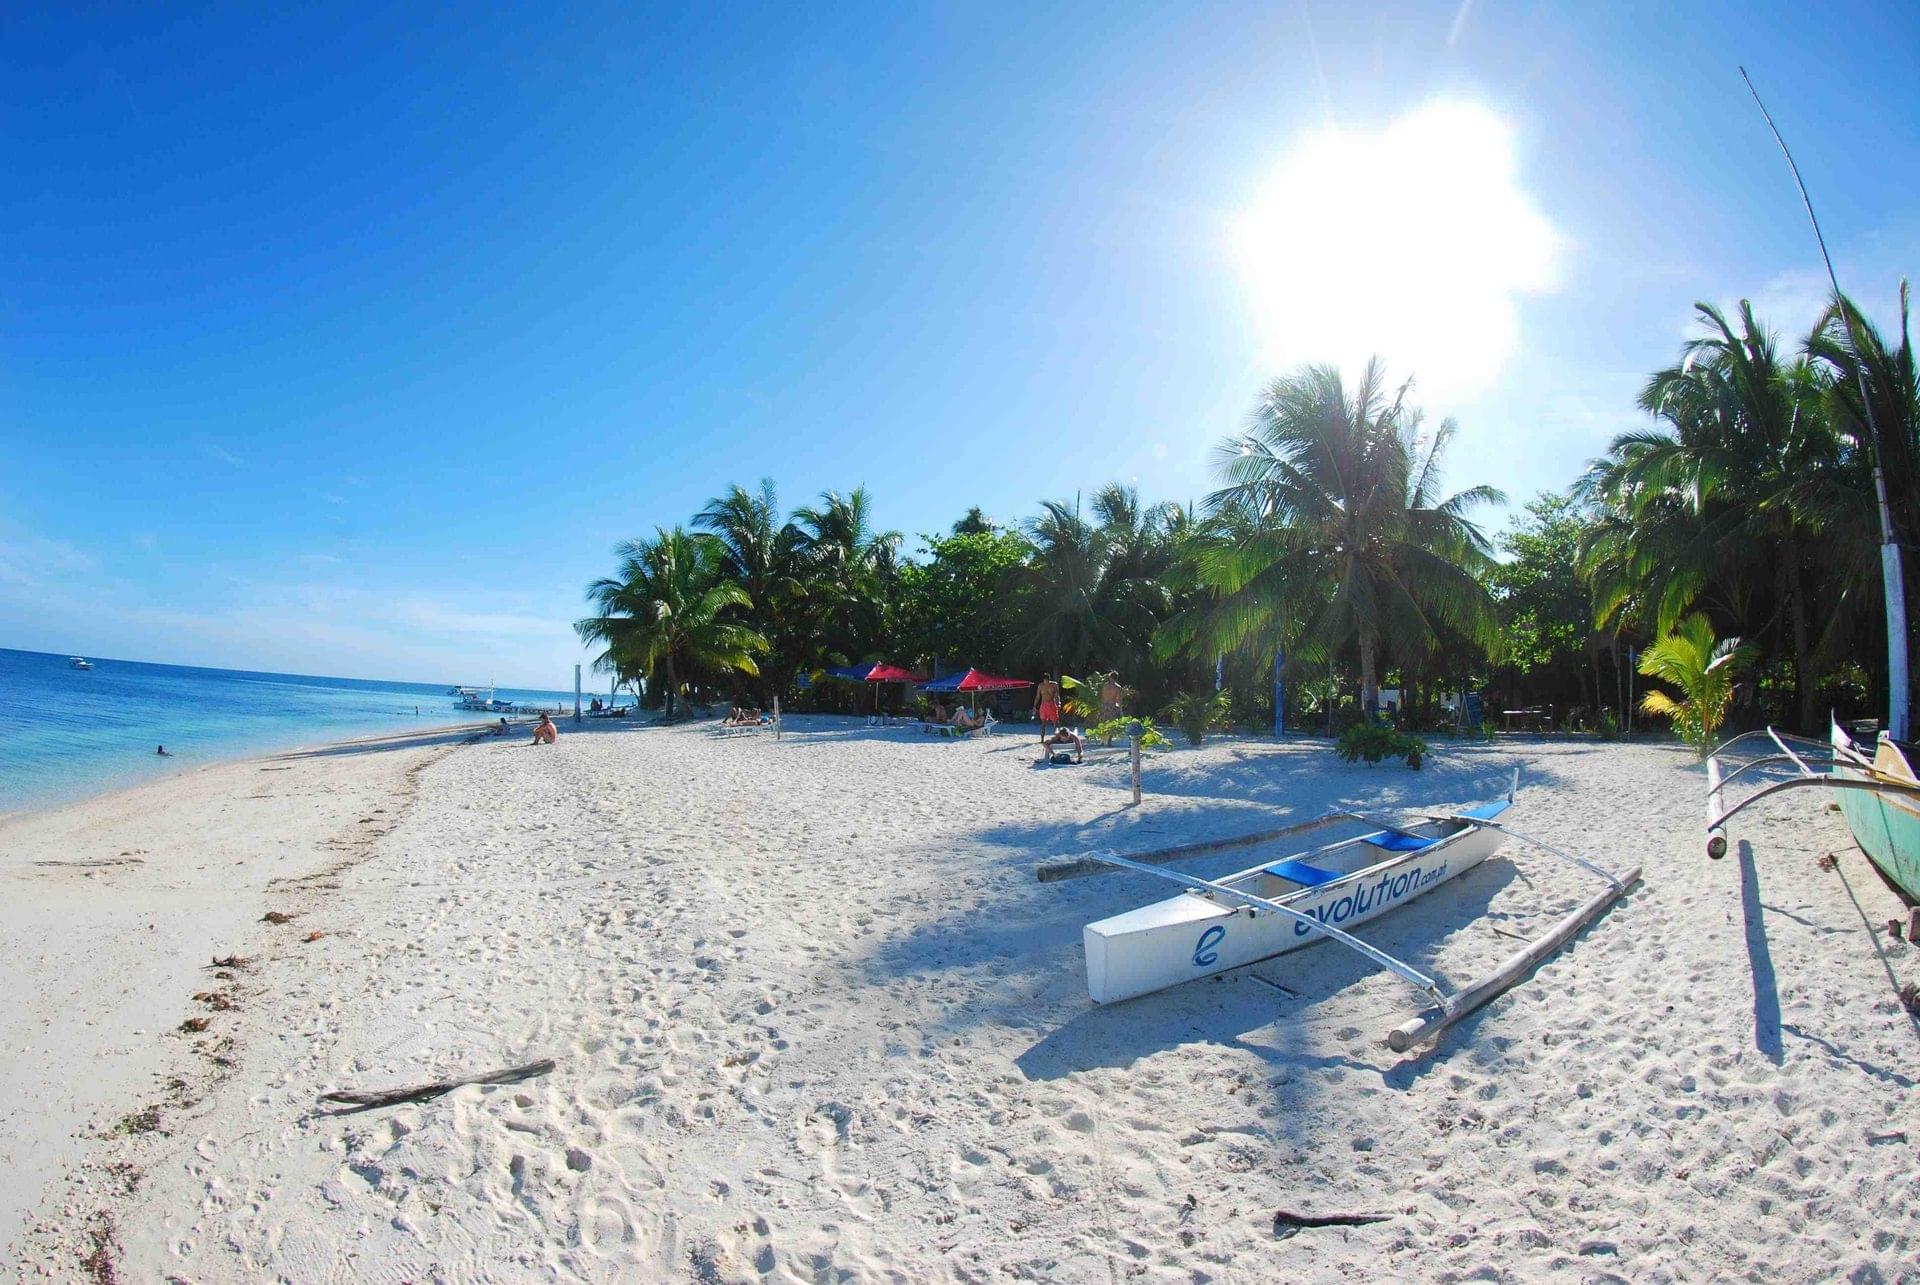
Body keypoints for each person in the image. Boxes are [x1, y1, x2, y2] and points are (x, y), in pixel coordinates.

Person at [1034, 673, 1061, 742]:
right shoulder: (1040, 686)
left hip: (1051, 704)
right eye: (1045, 680)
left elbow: (1057, 695)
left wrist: (1058, 703)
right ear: (1043, 680)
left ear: (1049, 680)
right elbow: (1037, 697)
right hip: (1043, 705)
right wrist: (1034, 706)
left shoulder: (1054, 685)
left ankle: (1058, 737)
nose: (1046, 682)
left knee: (1056, 723)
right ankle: (1042, 739)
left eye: (1047, 680)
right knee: (1043, 723)